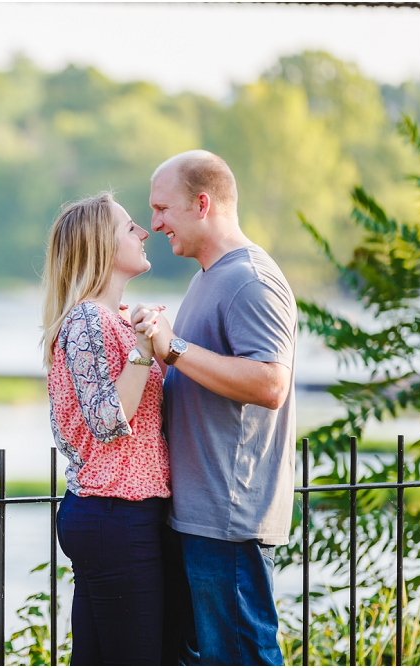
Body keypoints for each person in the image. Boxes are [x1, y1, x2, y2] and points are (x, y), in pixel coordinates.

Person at [134, 150, 297, 665]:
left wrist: (174, 347)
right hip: (198, 520)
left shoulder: (250, 280)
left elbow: (272, 383)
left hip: (229, 522)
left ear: (202, 203)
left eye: (162, 209)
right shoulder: (208, 276)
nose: (154, 223)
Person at [40, 192, 171, 665]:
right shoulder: (89, 321)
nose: (143, 233)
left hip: (114, 515)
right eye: (130, 226)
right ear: (102, 245)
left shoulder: (113, 319)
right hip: (115, 514)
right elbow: (109, 421)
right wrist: (142, 348)